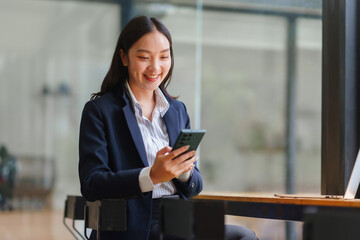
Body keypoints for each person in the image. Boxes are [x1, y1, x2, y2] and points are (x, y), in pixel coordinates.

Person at [79, 16, 257, 240]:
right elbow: (91, 184)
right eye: (144, 57)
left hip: (179, 219)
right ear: (124, 58)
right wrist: (151, 176)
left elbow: (195, 185)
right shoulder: (100, 111)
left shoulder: (177, 110)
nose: (155, 67)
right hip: (131, 225)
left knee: (244, 237)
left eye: (164, 56)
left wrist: (183, 171)